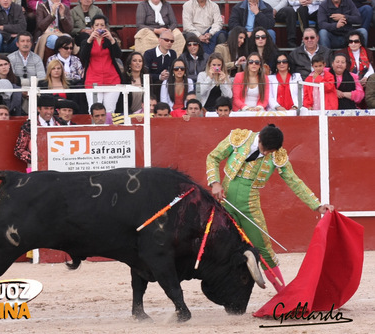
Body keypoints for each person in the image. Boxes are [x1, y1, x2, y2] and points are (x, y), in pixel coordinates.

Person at [206, 124, 335, 292]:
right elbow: (213, 157)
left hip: (249, 207)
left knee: (264, 250)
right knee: (215, 246)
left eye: (270, 151)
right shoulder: (240, 138)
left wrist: (317, 205)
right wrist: (215, 183)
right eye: (264, 149)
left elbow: (294, 181)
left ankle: (283, 293)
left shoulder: (277, 155)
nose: (266, 153)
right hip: (224, 202)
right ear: (258, 139)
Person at [79, 14, 122, 114]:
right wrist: (90, 40)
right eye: (97, 25)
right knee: (94, 111)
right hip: (93, 80)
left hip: (112, 80)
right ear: (92, 27)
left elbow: (118, 55)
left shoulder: (110, 40)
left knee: (109, 112)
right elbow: (83, 56)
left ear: (106, 27)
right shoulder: (86, 41)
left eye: (102, 25)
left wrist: (112, 39)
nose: (99, 27)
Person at [14, 95, 62, 164]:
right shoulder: (29, 125)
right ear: (38, 109)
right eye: (46, 108)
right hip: (37, 167)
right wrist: (36, 159)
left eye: (51, 108)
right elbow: (19, 150)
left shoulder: (61, 123)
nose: (49, 112)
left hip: (59, 163)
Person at [143, 30, 177, 100]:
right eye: (166, 40)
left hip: (168, 85)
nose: (169, 42)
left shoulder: (173, 54)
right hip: (152, 85)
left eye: (172, 41)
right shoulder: (149, 54)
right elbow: (145, 73)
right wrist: (159, 77)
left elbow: (174, 70)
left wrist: (168, 74)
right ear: (159, 40)